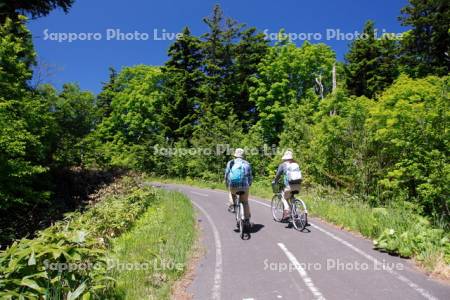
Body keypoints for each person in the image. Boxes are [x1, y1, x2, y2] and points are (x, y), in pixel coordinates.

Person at [272, 150, 302, 221]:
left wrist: (275, 181)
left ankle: (287, 211)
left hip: (289, 186)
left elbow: (278, 175)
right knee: (291, 196)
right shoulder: (296, 164)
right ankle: (294, 212)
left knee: (283, 197)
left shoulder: (282, 165)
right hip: (298, 185)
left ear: (285, 158)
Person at [224, 148, 253, 223]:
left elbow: (226, 174)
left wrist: (226, 183)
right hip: (244, 186)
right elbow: (250, 176)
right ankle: (246, 220)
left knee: (231, 192)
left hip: (233, 185)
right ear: (243, 156)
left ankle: (232, 205)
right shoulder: (247, 163)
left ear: (235, 155)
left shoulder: (230, 163)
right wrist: (249, 184)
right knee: (245, 202)